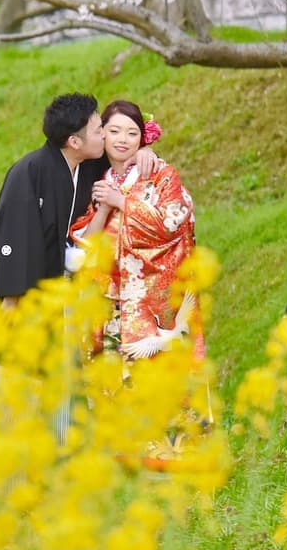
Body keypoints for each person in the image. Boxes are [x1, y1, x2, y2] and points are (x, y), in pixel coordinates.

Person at [0, 93, 157, 306]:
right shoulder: (29, 172)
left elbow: (123, 154)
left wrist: (144, 151)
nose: (105, 135)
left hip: (71, 290)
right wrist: (11, 301)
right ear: (74, 141)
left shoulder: (88, 163)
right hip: (31, 295)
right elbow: (17, 239)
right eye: (98, 131)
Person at [70, 99, 203, 362]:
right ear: (102, 134)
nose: (123, 140)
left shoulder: (160, 173)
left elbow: (172, 223)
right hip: (109, 299)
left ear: (143, 139)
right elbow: (86, 245)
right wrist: (106, 208)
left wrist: (122, 202)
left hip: (152, 299)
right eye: (115, 131)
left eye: (132, 133)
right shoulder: (98, 178)